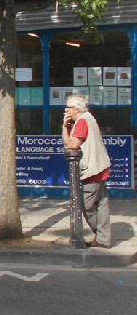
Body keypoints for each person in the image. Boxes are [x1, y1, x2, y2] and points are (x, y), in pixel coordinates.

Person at [61, 95, 111, 248]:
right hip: (100, 166)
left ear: (76, 109)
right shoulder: (88, 118)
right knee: (101, 204)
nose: (65, 110)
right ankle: (104, 238)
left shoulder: (82, 122)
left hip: (92, 169)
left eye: (68, 108)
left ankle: (102, 237)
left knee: (87, 206)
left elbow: (71, 146)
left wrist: (64, 126)